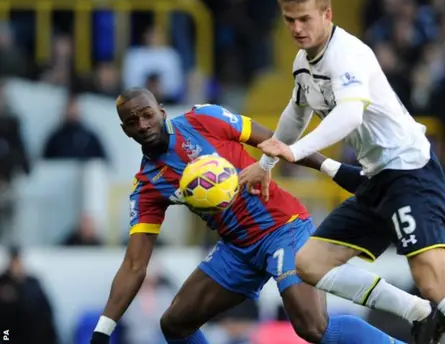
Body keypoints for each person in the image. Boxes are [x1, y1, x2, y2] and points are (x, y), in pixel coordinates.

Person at [239, 0, 445, 343]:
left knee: (434, 280)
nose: (297, 28)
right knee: (309, 264)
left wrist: (296, 154)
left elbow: (348, 114)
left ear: (327, 14)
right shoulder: (303, 64)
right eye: (289, 20)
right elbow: (296, 114)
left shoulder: (347, 54)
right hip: (376, 178)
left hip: (409, 172)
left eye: (305, 19)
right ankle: (417, 312)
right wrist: (266, 163)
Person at [90, 88, 415, 344]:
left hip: (282, 227)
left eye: (147, 115)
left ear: (161, 112)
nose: (143, 125)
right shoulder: (147, 186)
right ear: (124, 129)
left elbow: (276, 142)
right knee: (175, 324)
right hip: (238, 249)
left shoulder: (203, 119)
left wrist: (333, 169)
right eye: (132, 121)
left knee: (314, 328)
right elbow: (135, 264)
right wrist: (103, 330)